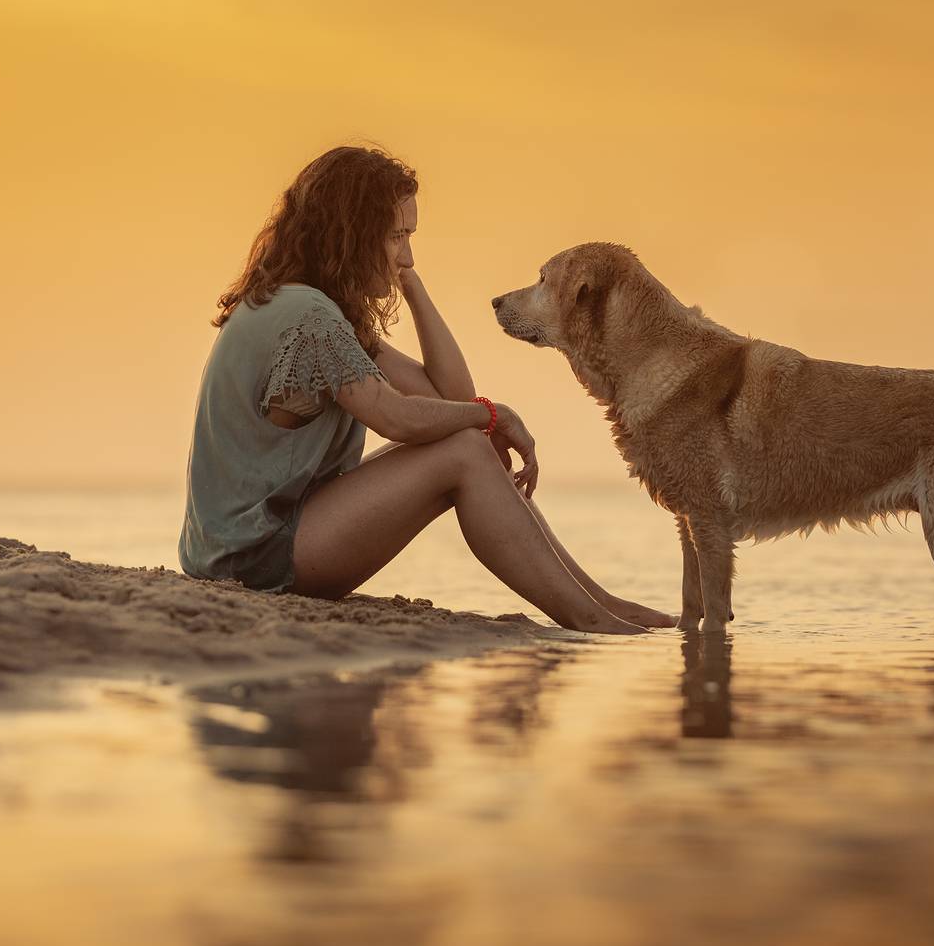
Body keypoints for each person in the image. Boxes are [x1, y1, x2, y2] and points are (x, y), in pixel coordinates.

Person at [179, 145, 671, 634]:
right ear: (350, 234)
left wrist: (410, 284)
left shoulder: (322, 313)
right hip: (252, 558)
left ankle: (602, 603)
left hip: (259, 543)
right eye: (396, 237)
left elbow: (451, 398)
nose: (408, 254)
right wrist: (493, 415)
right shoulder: (309, 318)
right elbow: (398, 418)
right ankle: (589, 617)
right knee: (465, 449)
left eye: (409, 237)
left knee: (468, 441)